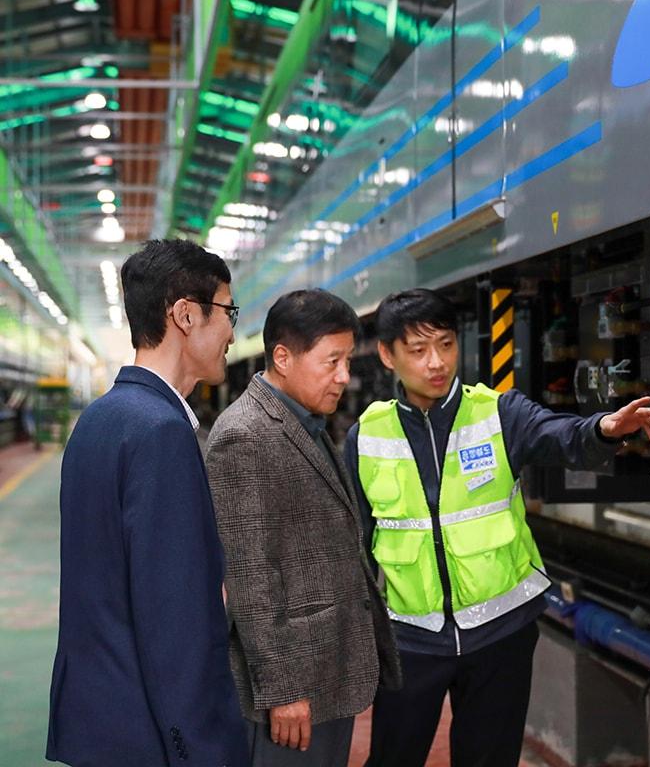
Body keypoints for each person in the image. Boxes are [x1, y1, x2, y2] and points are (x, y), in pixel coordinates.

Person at [344, 288, 650, 767]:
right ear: (388, 356)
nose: (436, 362)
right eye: (418, 350)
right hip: (410, 637)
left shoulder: (498, 413)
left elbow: (559, 434)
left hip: (500, 634)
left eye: (446, 345)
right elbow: (358, 542)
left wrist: (602, 428)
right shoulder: (368, 436)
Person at [46, 239, 248, 767]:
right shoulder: (160, 432)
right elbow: (174, 623)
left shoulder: (99, 419)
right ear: (185, 315)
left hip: (100, 722)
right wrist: (202, 748)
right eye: (228, 311)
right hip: (152, 737)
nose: (233, 331)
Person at [205, 289, 400, 767]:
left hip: (327, 671)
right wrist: (283, 689)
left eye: (347, 361)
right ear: (283, 358)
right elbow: (250, 578)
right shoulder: (243, 436)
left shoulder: (305, 421)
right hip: (294, 691)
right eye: (331, 361)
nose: (343, 377)